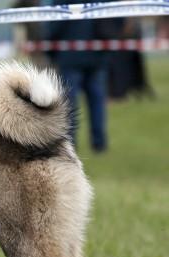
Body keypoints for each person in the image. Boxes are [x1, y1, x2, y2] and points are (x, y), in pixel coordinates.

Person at [46, 0, 114, 153]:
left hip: (70, 57)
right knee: (97, 102)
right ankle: (99, 143)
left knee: (69, 104)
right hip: (97, 55)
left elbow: (55, 23)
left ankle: (70, 145)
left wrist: (49, 49)